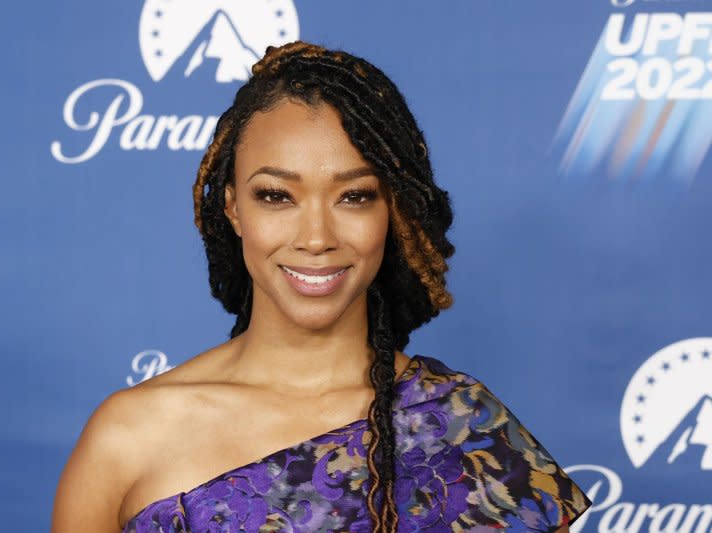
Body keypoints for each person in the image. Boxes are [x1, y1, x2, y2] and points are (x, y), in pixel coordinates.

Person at [51, 41, 592, 533]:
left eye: (353, 196)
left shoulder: (466, 428)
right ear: (233, 207)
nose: (316, 238)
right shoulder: (125, 437)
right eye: (276, 196)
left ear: (394, 213)